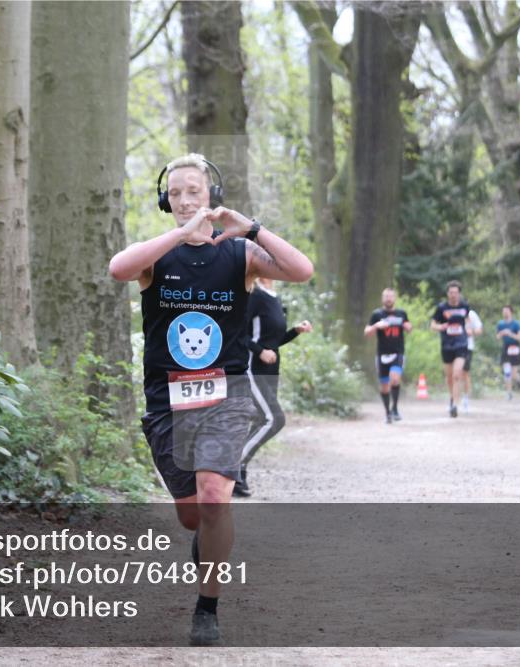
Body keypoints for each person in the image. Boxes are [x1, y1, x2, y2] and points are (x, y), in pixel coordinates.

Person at [108, 153, 313, 645]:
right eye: (175, 192)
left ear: (211, 196)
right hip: (167, 401)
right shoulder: (157, 254)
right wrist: (180, 234)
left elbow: (302, 270)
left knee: (217, 497)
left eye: (193, 191)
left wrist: (252, 227)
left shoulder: (239, 254)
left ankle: (207, 607)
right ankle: (208, 548)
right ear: (165, 200)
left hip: (226, 396)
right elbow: (118, 269)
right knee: (192, 514)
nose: (184, 200)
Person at [234, 277, 312, 498]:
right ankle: (232, 468)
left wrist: (295, 331)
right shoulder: (255, 296)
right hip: (253, 367)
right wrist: (259, 352)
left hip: (271, 369)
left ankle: (238, 475)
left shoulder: (275, 297)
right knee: (274, 419)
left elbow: (274, 341)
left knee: (260, 419)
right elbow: (240, 332)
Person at [363, 288, 412, 423]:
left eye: (390, 296)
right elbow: (367, 332)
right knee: (384, 386)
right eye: (386, 296)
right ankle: (388, 413)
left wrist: (406, 325)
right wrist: (377, 326)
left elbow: (409, 327)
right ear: (382, 299)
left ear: (395, 298)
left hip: (398, 352)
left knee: (395, 379)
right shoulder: (377, 314)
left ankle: (395, 408)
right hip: (382, 354)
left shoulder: (401, 313)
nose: (388, 299)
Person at [430, 280, 471, 418]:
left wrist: (469, 328)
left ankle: (455, 405)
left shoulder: (465, 306)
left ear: (459, 294)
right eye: (451, 292)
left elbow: (467, 320)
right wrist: (440, 327)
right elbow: (433, 325)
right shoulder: (441, 308)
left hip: (461, 344)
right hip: (446, 345)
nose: (453, 295)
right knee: (449, 378)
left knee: (457, 374)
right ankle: (452, 398)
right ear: (448, 294)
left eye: (456, 293)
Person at [496, 305, 520, 399]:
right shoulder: (500, 324)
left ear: (511, 312)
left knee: (513, 374)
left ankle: (518, 379)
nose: (505, 313)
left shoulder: (516, 324)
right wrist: (501, 334)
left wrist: (510, 334)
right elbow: (497, 337)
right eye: (503, 311)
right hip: (505, 348)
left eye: (506, 311)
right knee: (506, 372)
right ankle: (509, 393)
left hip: (515, 348)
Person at [462, 307, 483, 413]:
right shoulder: (450, 312)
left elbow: (479, 329)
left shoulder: (471, 314)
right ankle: (453, 400)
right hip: (452, 346)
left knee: (465, 373)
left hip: (467, 347)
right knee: (453, 373)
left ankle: (465, 400)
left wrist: (471, 331)